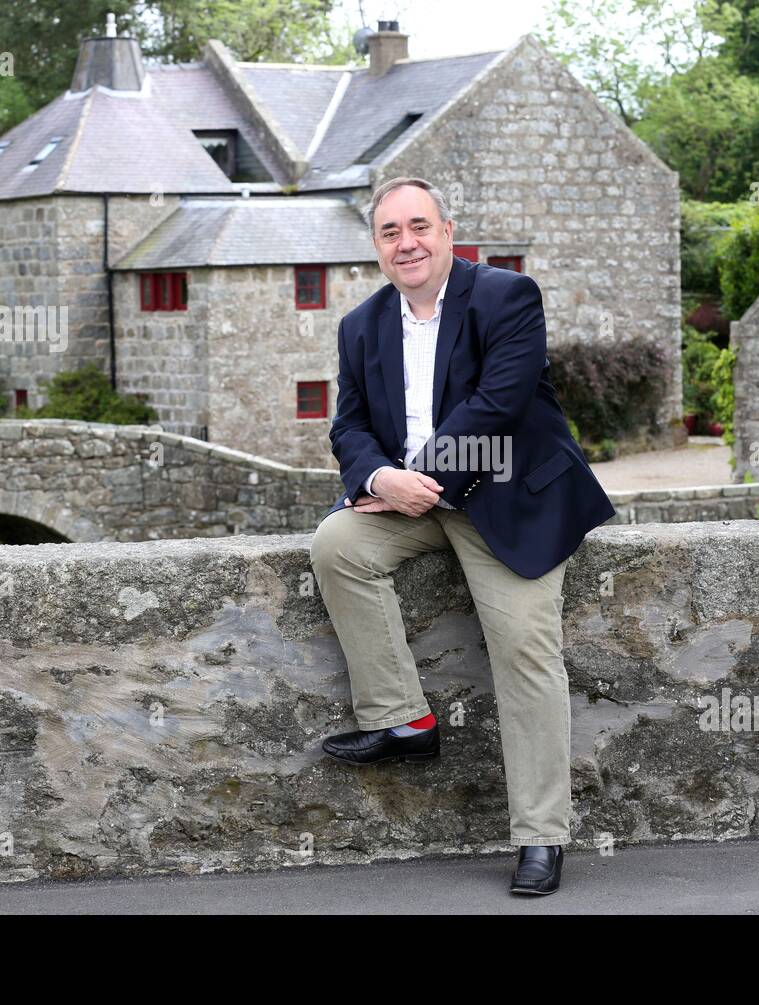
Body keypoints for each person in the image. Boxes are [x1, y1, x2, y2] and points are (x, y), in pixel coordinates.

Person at [309, 176, 615, 895]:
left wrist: (417, 473)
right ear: (378, 247)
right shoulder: (361, 325)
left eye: (419, 226)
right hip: (415, 501)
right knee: (337, 545)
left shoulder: (507, 297)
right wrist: (381, 480)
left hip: (512, 498)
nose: (406, 242)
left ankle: (541, 835)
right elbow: (348, 425)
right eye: (390, 232)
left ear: (448, 230)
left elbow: (498, 404)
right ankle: (403, 720)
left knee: (525, 652)